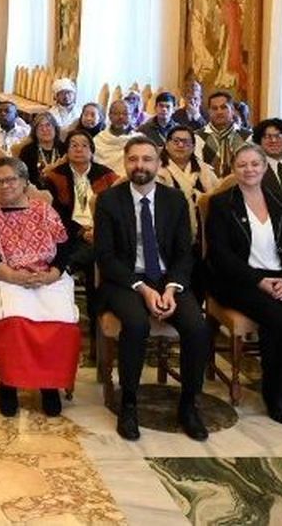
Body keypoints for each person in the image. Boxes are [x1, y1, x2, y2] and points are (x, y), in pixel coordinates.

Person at [94, 137, 210, 441]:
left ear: (159, 164)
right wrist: (143, 289)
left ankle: (189, 404)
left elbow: (185, 253)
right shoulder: (109, 200)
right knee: (135, 324)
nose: (140, 165)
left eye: (147, 159)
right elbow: (105, 257)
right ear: (125, 162)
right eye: (133, 159)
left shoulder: (174, 200)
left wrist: (171, 289)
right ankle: (129, 403)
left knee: (197, 327)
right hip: (125, 279)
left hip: (168, 279)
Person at [205, 145, 282, 423]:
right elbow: (220, 255)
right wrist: (259, 281)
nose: (249, 170)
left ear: (265, 167)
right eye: (242, 165)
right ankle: (275, 394)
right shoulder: (221, 204)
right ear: (233, 169)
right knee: (279, 321)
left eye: (255, 164)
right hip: (240, 280)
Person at [0, 158, 81, 418]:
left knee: (60, 320)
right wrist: (14, 276)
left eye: (11, 180)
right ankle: (9, 382)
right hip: (3, 276)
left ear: (24, 182)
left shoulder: (44, 210)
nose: (5, 186)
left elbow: (63, 246)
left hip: (46, 275)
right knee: (15, 319)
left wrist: (51, 274)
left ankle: (49, 384)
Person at [45, 131, 119, 352]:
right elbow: (55, 215)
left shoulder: (107, 176)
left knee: (95, 257)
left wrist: (97, 230)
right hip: (69, 235)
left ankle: (67, 267)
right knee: (95, 260)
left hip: (100, 234)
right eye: (73, 145)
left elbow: (115, 212)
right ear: (66, 151)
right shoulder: (54, 177)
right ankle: (96, 343)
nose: (79, 149)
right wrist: (81, 232)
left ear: (92, 150)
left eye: (84, 145)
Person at [155, 124, 216, 218]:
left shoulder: (204, 170)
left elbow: (217, 196)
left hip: (202, 223)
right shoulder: (155, 170)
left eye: (186, 141)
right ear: (166, 145)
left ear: (193, 147)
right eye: (176, 141)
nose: (180, 145)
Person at [195, 91, 250, 178]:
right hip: (208, 189)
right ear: (209, 112)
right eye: (214, 108)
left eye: (224, 107)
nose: (219, 112)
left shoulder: (247, 137)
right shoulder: (198, 137)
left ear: (232, 110)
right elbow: (198, 170)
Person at [93, 100, 139, 176]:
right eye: (116, 113)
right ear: (109, 116)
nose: (121, 117)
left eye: (125, 113)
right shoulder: (99, 140)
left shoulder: (139, 141)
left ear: (131, 116)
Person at [18, 112, 64, 177]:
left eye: (48, 125)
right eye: (40, 126)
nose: (44, 129)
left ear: (55, 128)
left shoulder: (64, 148)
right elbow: (22, 177)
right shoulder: (27, 151)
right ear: (35, 131)